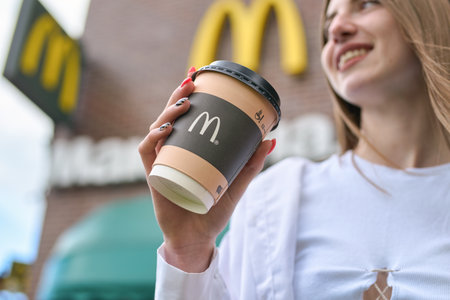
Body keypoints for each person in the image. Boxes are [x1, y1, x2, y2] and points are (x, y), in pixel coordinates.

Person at [138, 0, 450, 299]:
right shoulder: (277, 196)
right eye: (328, 26)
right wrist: (187, 249)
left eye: (367, 4)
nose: (337, 28)